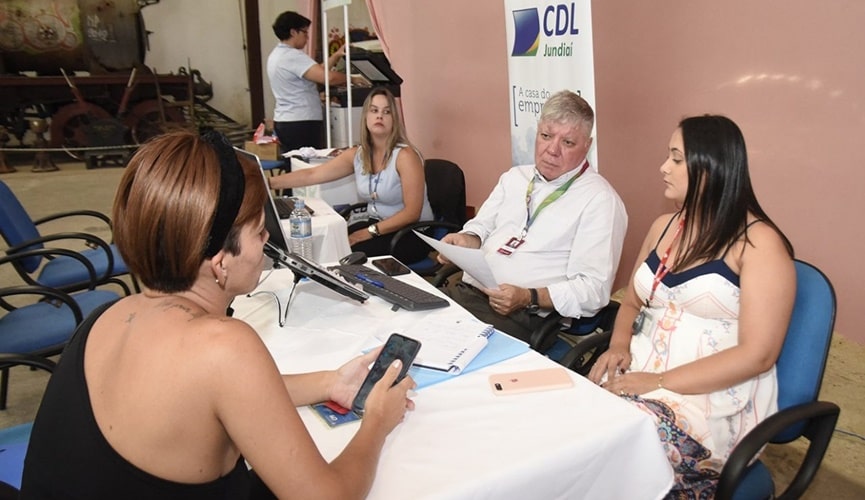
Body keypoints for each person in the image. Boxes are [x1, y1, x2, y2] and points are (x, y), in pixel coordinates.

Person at [20, 130, 415, 499]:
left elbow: (224, 393)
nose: (267, 244)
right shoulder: (224, 346)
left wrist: (330, 383)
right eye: (261, 233)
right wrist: (378, 420)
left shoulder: (109, 314)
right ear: (220, 261)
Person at [587, 115, 795, 497]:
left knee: (609, 452)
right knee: (572, 433)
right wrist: (618, 346)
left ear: (710, 167)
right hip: (642, 377)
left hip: (709, 399)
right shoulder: (665, 226)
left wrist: (658, 383)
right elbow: (632, 301)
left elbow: (758, 355)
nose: (663, 167)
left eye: (676, 158)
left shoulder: (759, 244)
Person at [438, 90, 627, 343]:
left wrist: (529, 297)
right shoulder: (515, 177)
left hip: (523, 317)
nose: (552, 150)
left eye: (567, 142)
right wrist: (467, 239)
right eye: (546, 136)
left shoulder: (600, 201)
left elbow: (593, 290)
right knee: (405, 329)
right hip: (468, 293)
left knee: (440, 352)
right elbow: (481, 226)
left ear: (587, 145)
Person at [269, 87, 434, 263]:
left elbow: (412, 213)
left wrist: (367, 232)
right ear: (365, 117)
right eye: (374, 110)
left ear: (395, 120)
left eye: (387, 112)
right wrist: (268, 182)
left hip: (411, 233)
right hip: (377, 224)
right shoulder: (359, 154)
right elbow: (312, 174)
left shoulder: (405, 156)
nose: (380, 116)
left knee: (347, 254)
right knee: (329, 243)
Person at [267, 11, 367, 154]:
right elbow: (328, 78)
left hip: (287, 120)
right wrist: (353, 79)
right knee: (307, 166)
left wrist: (337, 55)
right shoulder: (293, 56)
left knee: (296, 164)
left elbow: (315, 71)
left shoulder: (277, 54)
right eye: (305, 32)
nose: (307, 37)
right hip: (301, 122)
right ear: (293, 32)